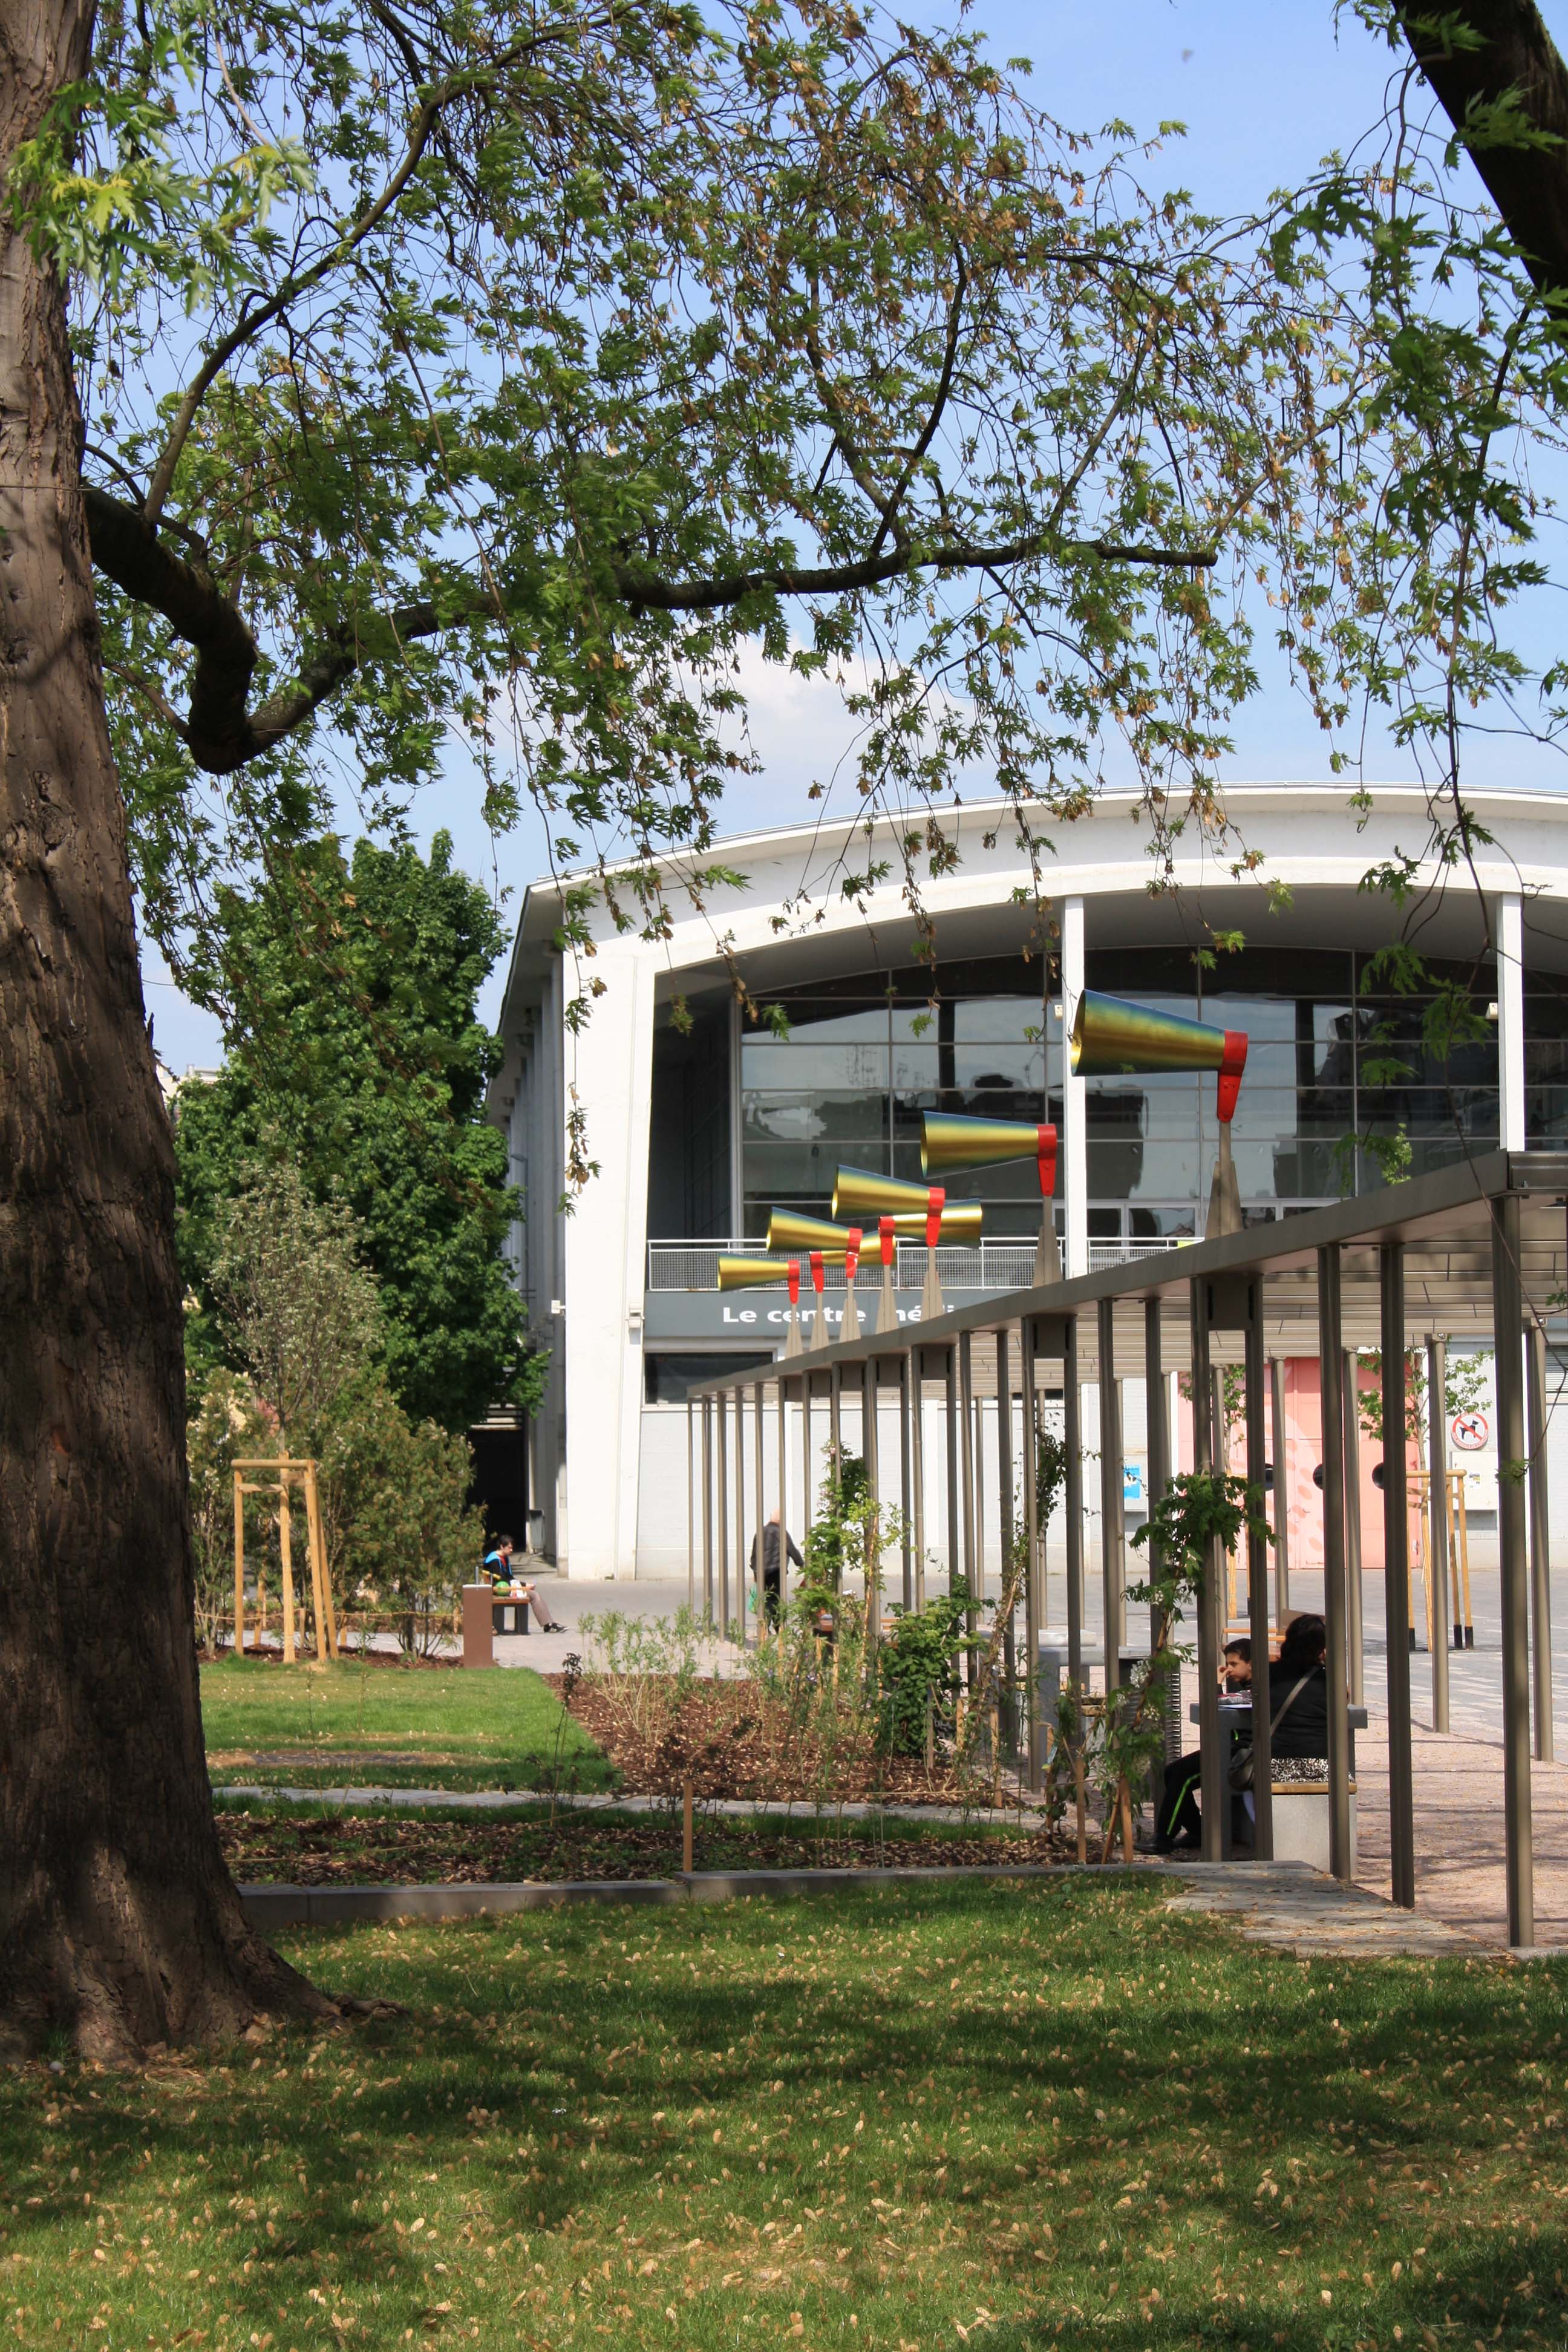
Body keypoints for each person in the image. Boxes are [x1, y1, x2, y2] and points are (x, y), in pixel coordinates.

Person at [1154, 1638, 1253, 1853]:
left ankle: (1164, 1837)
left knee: (1180, 1776)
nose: (1228, 1669)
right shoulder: (1246, 1685)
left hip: (1241, 1754)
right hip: (1229, 1749)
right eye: (1228, 1664)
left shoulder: (1257, 1688)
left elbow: (1222, 1704)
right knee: (1173, 1772)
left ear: (1251, 1665)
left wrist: (1216, 1684)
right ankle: (1197, 1831)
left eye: (1234, 1664)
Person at [482, 1534, 563, 1633]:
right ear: (502, 1547)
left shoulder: (504, 1558)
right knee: (533, 1595)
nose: (512, 1550)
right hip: (500, 1589)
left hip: (506, 1587)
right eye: (509, 1548)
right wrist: (524, 1586)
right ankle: (548, 1625)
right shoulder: (494, 1560)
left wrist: (524, 1585)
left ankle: (549, 1624)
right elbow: (502, 1580)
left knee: (533, 1593)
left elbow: (510, 1578)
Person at [749, 1508, 804, 1627]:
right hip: (775, 1571)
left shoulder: (760, 1532)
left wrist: (755, 1572)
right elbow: (792, 1550)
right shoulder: (781, 1532)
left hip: (761, 1572)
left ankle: (765, 1627)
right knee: (774, 1599)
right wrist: (801, 1564)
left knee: (764, 1598)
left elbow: (754, 1555)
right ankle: (777, 1627)